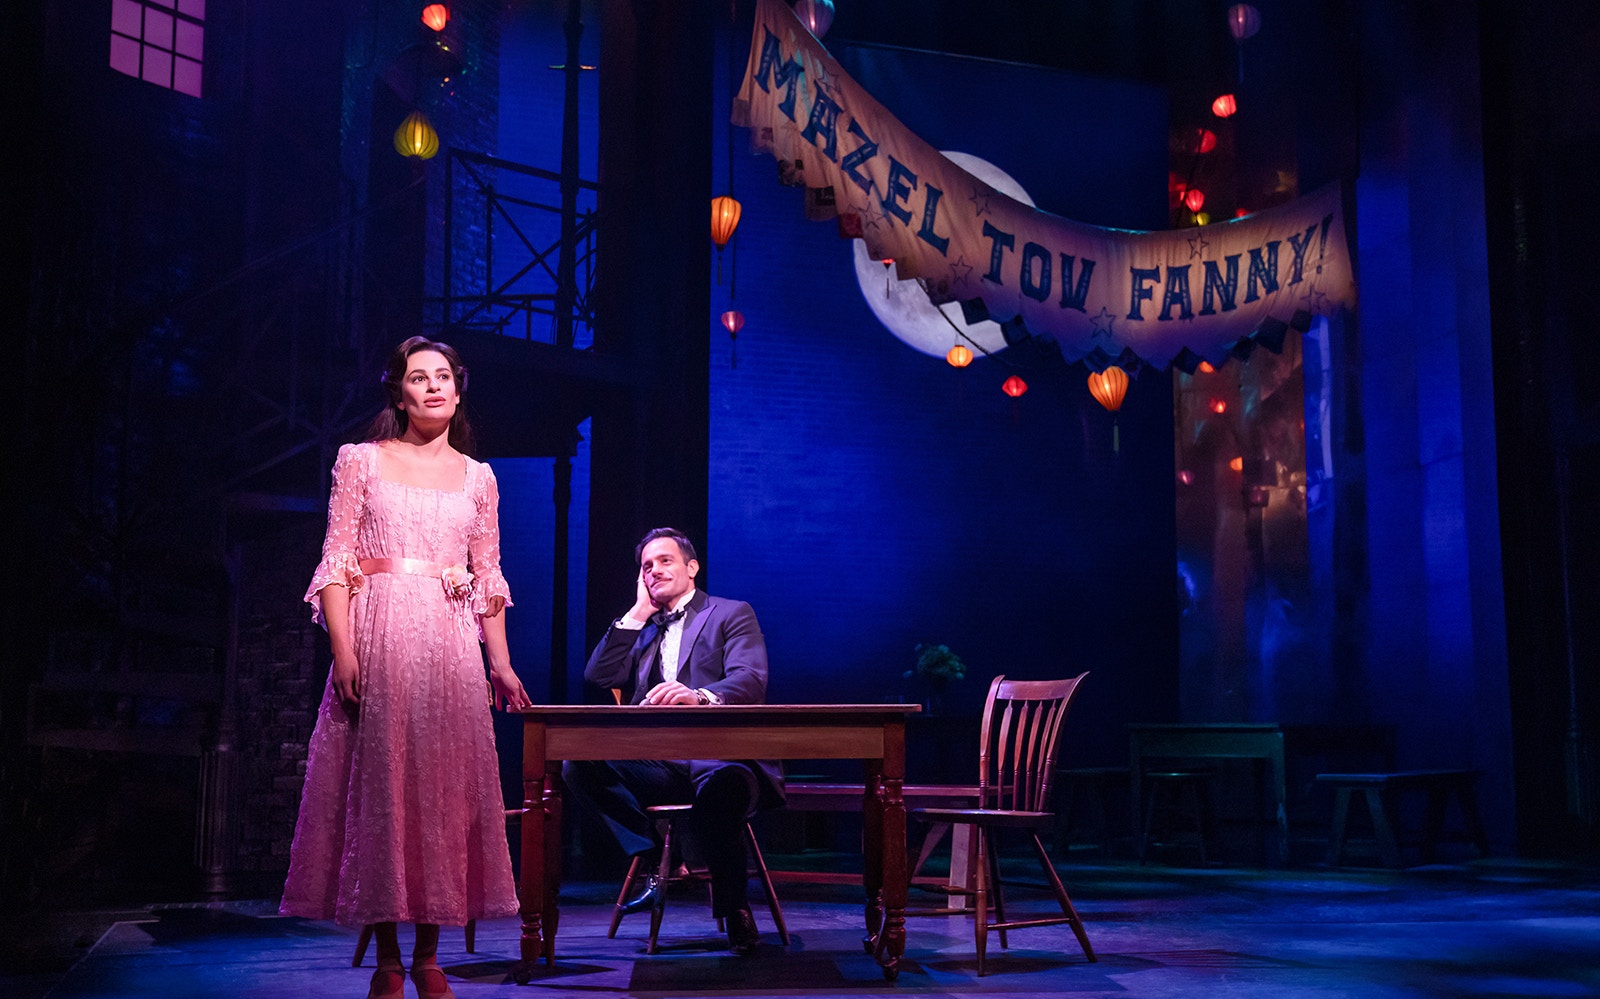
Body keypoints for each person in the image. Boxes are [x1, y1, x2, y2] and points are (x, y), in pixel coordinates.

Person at [280, 336, 533, 999]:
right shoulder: (360, 461)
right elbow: (336, 561)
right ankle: (389, 958)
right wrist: (343, 650)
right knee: (383, 794)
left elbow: (489, 578)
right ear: (398, 392)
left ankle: (429, 954)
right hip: (382, 632)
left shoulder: (479, 477)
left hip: (449, 648)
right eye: (418, 378)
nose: (432, 387)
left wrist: (500, 664)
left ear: (459, 386)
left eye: (443, 376)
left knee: (441, 796)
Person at [563, 528, 784, 955]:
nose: (653, 570)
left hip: (723, 760)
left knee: (723, 791)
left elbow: (751, 678)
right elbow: (598, 677)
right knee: (579, 764)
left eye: (665, 561)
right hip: (659, 765)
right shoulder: (643, 630)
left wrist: (697, 695)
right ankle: (654, 854)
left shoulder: (730, 612)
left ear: (692, 567)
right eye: (646, 566)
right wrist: (637, 613)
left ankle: (735, 909)